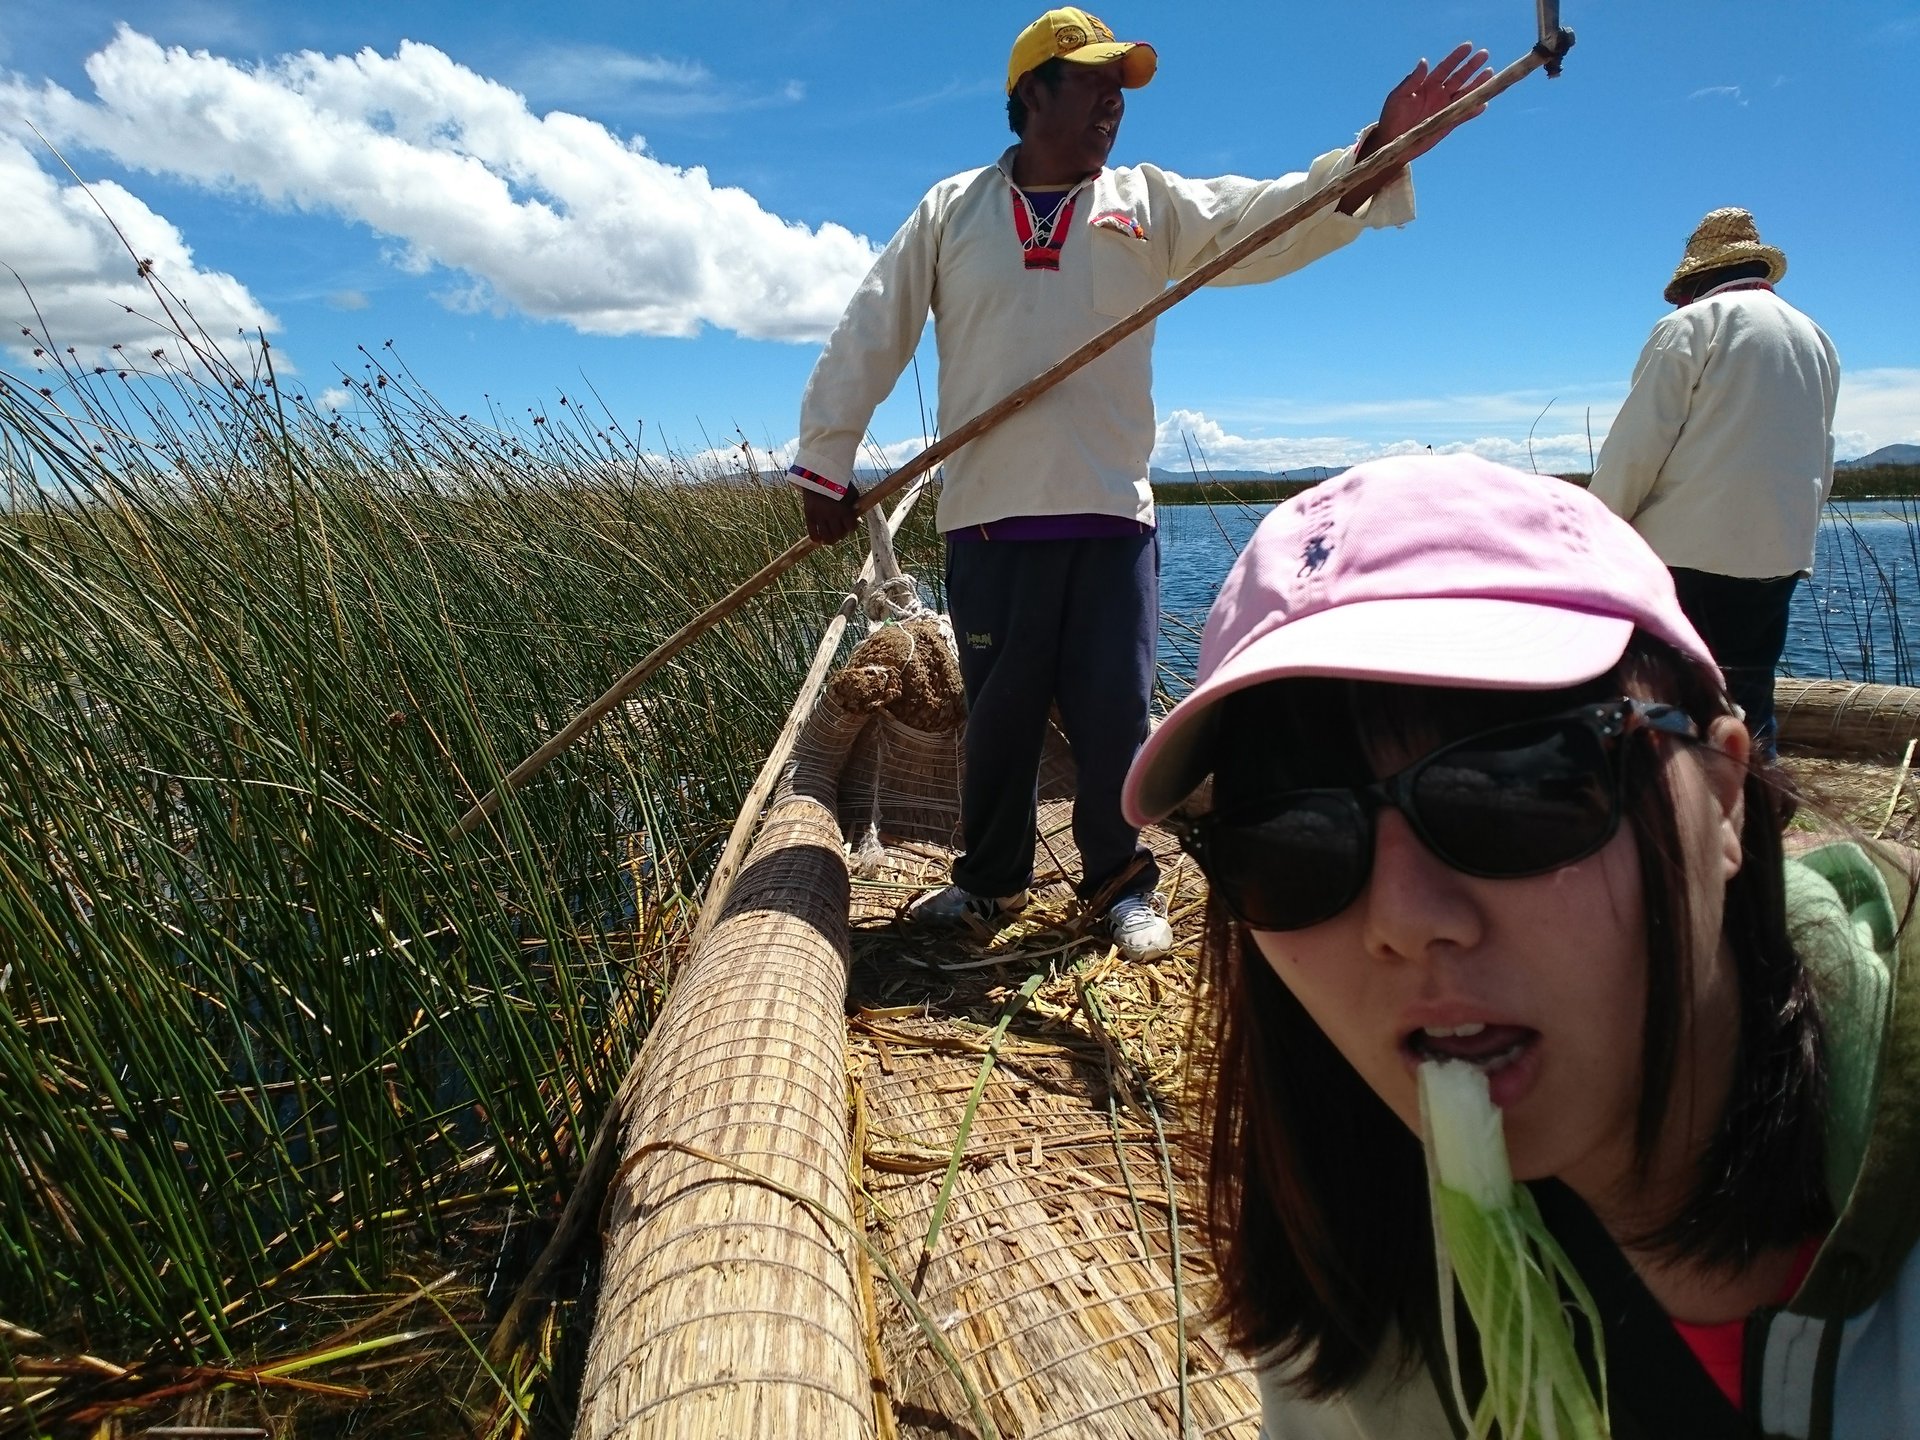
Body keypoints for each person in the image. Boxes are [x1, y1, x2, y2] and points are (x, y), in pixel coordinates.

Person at [1119, 454, 1920, 1436]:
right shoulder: (1355, 1299)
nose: (1407, 920)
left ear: (1721, 794)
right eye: (1291, 843)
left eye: (1520, 789)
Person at [788, 8, 1490, 960]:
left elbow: (1266, 218)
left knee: (1117, 705)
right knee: (995, 717)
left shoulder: (1144, 203)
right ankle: (991, 883)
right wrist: (828, 459)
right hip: (991, 522)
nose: (1115, 101)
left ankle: (1120, 880)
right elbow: (876, 324)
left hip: (1113, 515)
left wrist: (1374, 151)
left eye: (1123, 85)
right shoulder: (951, 210)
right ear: (1030, 93)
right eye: (1092, 79)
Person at [1590, 207, 1841, 755]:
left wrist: (1598, 531)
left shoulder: (1692, 326)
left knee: (1669, 702)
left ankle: (1681, 821)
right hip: (1778, 549)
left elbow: (1639, 444)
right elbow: (1821, 455)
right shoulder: (1815, 337)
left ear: (1698, 279)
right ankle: (1755, 819)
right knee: (1749, 694)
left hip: (1688, 551)